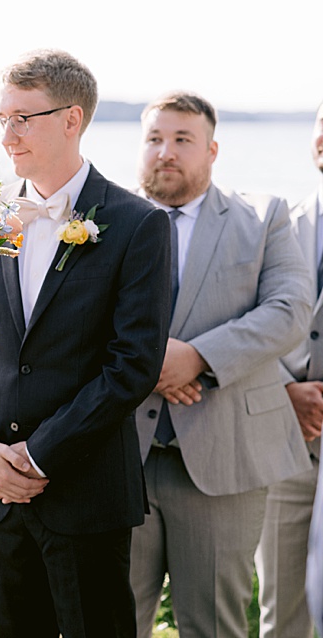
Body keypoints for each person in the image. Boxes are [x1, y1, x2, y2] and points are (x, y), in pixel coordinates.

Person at [0, 49, 172, 638]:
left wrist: (38, 456)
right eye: (0, 119)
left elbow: (132, 367)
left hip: (85, 493)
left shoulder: (138, 224)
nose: (7, 134)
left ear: (73, 119)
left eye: (23, 118)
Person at [124, 92, 312, 637]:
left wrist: (198, 358)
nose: (166, 152)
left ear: (212, 149)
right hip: (119, 457)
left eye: (183, 140)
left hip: (223, 456)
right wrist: (153, 365)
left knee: (215, 625)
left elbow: (289, 311)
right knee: (112, 621)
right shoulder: (104, 220)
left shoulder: (263, 217)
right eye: (155, 138)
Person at [273, 100, 323, 638]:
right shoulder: (278, 224)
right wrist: (283, 389)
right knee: (282, 614)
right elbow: (245, 326)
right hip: (283, 447)